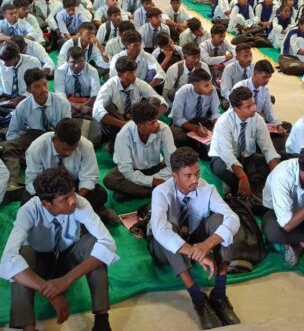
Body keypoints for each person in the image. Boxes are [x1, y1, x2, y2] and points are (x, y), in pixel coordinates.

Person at [0, 167, 118, 331]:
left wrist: (66, 280)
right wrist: (51, 293)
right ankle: (28, 328)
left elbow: (108, 243)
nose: (73, 201)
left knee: (94, 243)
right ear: (46, 204)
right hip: (39, 264)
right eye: (65, 198)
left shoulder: (80, 203)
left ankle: (102, 321)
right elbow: (7, 260)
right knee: (22, 257)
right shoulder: (28, 210)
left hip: (67, 259)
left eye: (73, 193)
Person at [148, 147, 240, 329]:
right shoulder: (161, 192)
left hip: (194, 238)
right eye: (188, 175)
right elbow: (160, 231)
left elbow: (233, 218)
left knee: (222, 220)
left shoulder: (207, 188)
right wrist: (194, 252)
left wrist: (207, 244)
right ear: (174, 175)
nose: (195, 180)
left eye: (197, 173)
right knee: (168, 229)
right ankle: (198, 298)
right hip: (163, 249)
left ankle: (219, 293)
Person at [22, 118, 118, 225]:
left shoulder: (86, 145)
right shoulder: (36, 148)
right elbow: (32, 180)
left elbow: (89, 178)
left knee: (99, 194)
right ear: (54, 139)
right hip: (48, 190)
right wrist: (56, 202)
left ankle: (95, 212)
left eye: (73, 149)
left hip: (73, 188)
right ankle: (81, 215)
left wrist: (73, 200)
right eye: (65, 149)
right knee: (27, 200)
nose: (68, 153)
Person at [209, 86, 280, 199]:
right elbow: (227, 154)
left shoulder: (257, 119)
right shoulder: (223, 122)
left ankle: (249, 187)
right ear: (236, 109)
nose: (254, 108)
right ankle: (240, 192)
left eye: (253, 104)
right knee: (222, 170)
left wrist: (277, 176)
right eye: (248, 106)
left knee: (271, 163)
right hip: (222, 157)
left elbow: (268, 148)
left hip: (245, 156)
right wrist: (243, 177)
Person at [103, 101, 175, 200]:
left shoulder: (164, 129)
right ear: (140, 125)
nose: (157, 125)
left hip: (156, 167)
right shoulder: (123, 135)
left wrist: (155, 178)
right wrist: (153, 181)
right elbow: (127, 171)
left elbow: (172, 161)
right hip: (134, 170)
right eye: (152, 123)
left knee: (178, 171)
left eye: (156, 120)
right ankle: (152, 191)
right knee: (110, 180)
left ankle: (132, 192)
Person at [92, 56, 167, 143]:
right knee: (106, 106)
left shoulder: (138, 83)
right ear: (120, 75)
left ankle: (132, 133)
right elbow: (97, 112)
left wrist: (149, 120)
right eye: (130, 73)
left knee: (155, 101)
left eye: (134, 72)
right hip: (117, 123)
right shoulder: (109, 86)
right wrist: (125, 125)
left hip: (133, 119)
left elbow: (162, 102)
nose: (134, 76)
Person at [170, 69, 220, 148]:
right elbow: (177, 119)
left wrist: (217, 126)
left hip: (201, 121)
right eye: (206, 85)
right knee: (177, 136)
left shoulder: (212, 90)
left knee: (218, 133)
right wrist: (195, 128)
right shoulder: (182, 92)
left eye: (211, 83)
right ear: (196, 88)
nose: (211, 87)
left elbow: (216, 112)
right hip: (185, 124)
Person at [54, 46, 101, 117]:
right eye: (73, 62)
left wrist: (83, 106)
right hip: (69, 102)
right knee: (57, 105)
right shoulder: (60, 71)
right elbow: (60, 96)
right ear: (67, 61)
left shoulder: (92, 71)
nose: (77, 66)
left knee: (102, 105)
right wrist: (79, 107)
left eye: (80, 62)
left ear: (85, 60)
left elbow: (95, 95)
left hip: (88, 101)